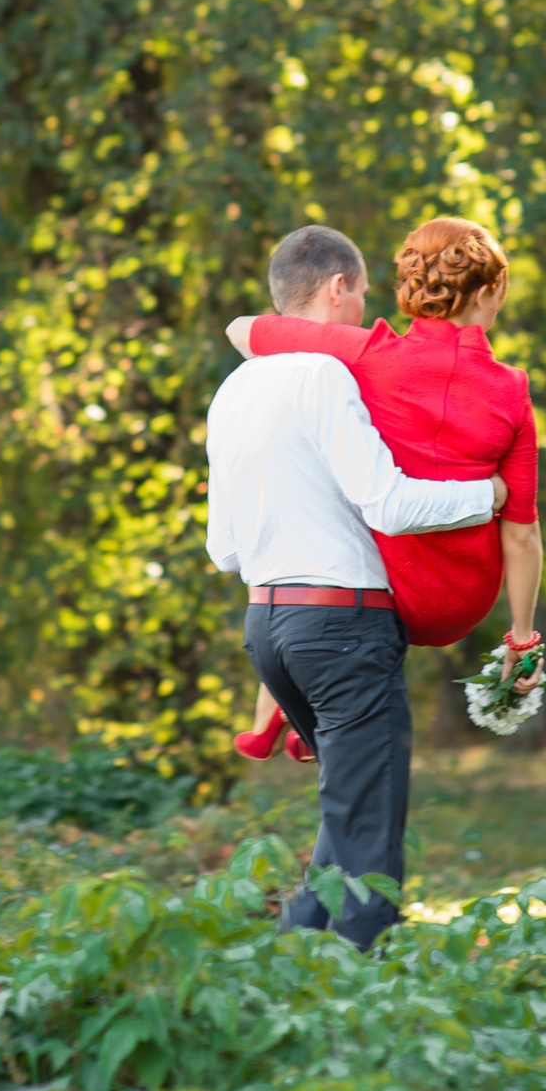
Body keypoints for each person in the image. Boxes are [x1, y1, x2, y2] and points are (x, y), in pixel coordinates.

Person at [206, 223, 506, 948]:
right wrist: (487, 496)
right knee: (370, 839)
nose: (370, 309)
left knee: (345, 822)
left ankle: (282, 973)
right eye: (364, 293)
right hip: (342, 627)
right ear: (337, 287)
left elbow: (223, 549)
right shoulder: (325, 377)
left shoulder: (233, 390)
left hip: (267, 634)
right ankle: (362, 1016)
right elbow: (391, 503)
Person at [225, 216, 545, 758]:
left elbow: (241, 331)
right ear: (491, 292)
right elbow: (521, 532)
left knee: (327, 483)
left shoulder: (370, 352)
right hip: (457, 600)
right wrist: (521, 639)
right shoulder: (511, 390)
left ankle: (281, 705)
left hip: (383, 582)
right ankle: (289, 709)